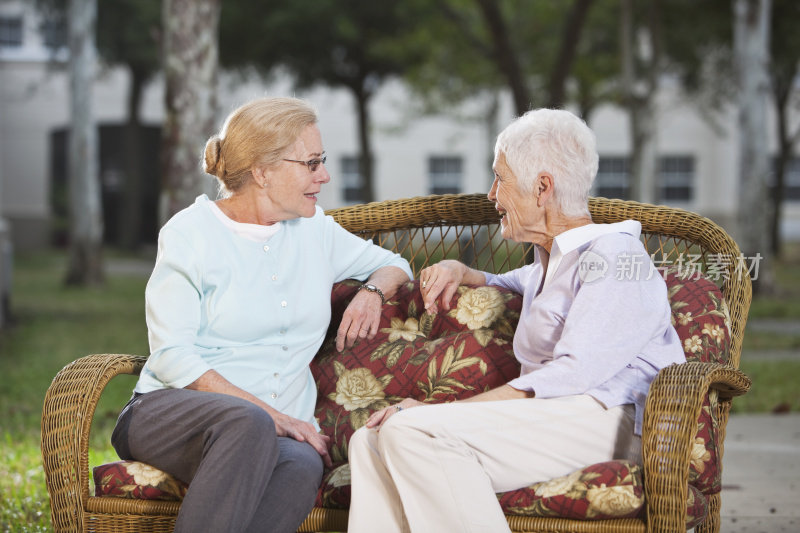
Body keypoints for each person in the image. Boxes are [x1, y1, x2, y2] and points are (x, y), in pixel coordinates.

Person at [346, 108, 686, 533]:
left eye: (499, 178)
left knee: (410, 431)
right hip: (557, 418)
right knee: (368, 442)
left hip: (610, 419)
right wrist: (459, 270)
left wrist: (441, 410)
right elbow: (504, 279)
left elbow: (574, 375)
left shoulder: (614, 258)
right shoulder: (553, 262)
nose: (491, 194)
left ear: (542, 187)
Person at [110, 97, 412, 533]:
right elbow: (172, 356)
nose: (324, 176)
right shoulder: (189, 235)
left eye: (321, 161)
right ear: (262, 171)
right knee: (249, 424)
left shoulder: (315, 231)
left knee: (302, 464)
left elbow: (395, 266)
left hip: (275, 435)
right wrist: (274, 417)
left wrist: (371, 292)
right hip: (169, 413)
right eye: (311, 163)